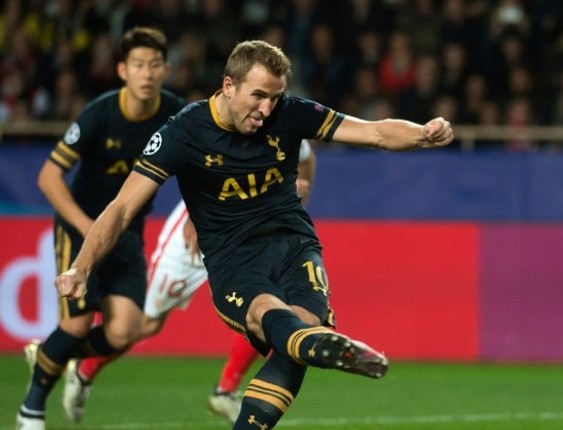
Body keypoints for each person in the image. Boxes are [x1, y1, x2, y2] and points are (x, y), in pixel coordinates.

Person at [53, 39, 453, 430]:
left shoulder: (291, 113)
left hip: (294, 243)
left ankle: (310, 344)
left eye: (275, 97)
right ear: (229, 86)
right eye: (258, 95)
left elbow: (376, 133)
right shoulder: (183, 132)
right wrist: (82, 267)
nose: (266, 109)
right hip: (233, 258)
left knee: (299, 332)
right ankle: (314, 345)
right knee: (268, 316)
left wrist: (423, 134)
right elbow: (122, 207)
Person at [60, 140, 317, 424]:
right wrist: (196, 216)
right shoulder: (225, 125)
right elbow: (195, 166)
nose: (266, 106)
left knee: (270, 306)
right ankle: (80, 366)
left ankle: (225, 390)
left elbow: (306, 157)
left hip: (249, 234)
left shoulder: (286, 125)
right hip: (197, 233)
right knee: (145, 323)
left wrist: (299, 191)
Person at [17, 27, 185, 430]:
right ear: (122, 70)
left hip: (127, 231)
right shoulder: (100, 113)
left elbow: (195, 169)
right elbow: (49, 177)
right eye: (139, 65)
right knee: (76, 324)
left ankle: (49, 355)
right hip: (81, 226)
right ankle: (31, 411)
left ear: (165, 70)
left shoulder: (176, 114)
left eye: (155, 65)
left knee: (126, 330)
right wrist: (86, 226)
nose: (147, 73)